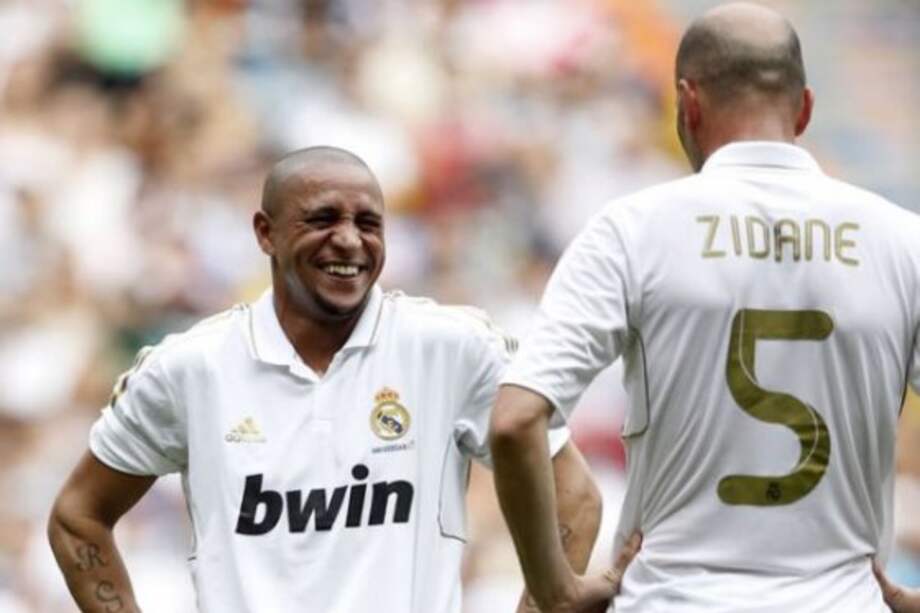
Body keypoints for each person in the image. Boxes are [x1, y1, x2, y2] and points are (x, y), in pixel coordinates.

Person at [46, 146, 617, 612]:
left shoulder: (449, 347)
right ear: (265, 233)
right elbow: (79, 518)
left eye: (368, 223)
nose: (349, 240)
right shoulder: (190, 368)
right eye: (323, 219)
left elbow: (576, 495)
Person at [488, 3, 920, 612]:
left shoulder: (630, 230)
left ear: (688, 105)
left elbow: (513, 421)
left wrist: (555, 588)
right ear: (804, 109)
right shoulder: (903, 241)